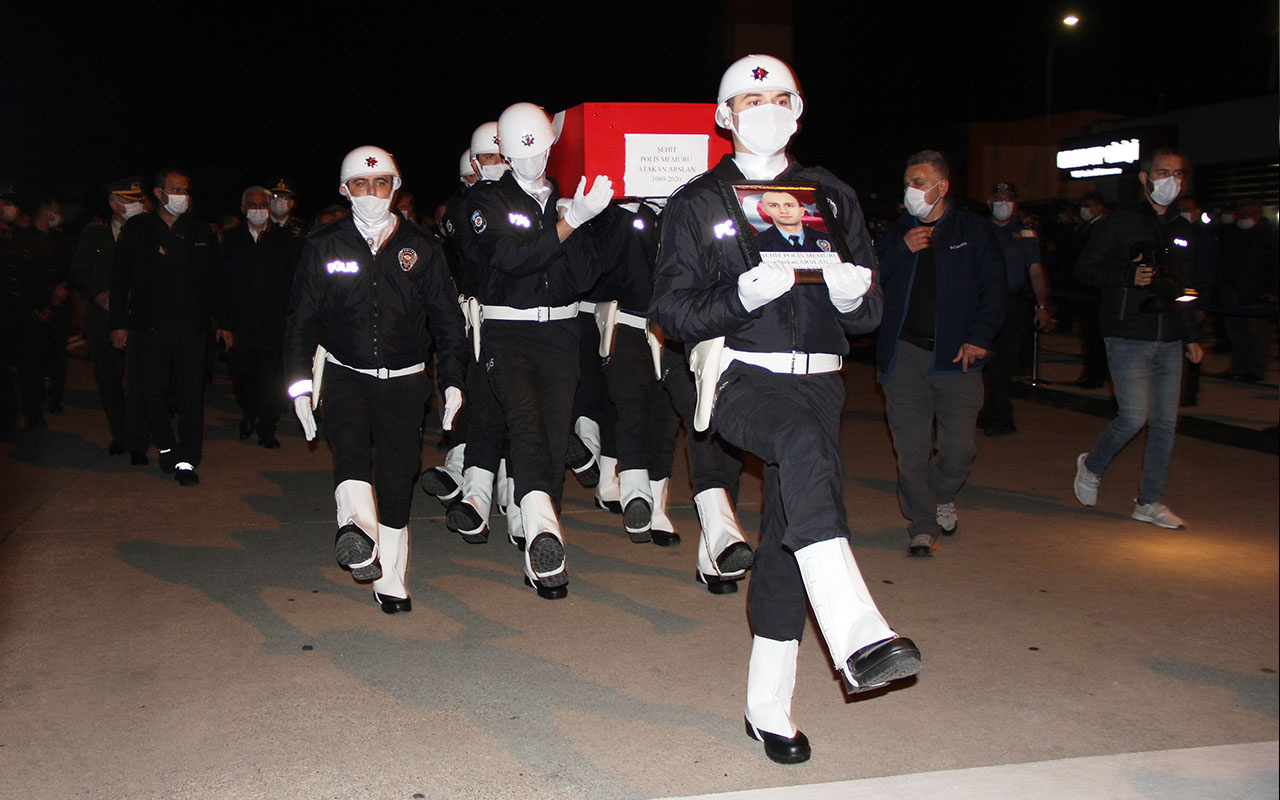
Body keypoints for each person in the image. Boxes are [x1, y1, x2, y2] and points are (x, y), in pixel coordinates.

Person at [651, 54, 920, 764]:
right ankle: (858, 632)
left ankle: (767, 708)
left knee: (788, 540)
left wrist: (848, 294)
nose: (763, 107)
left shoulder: (832, 195)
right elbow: (672, 309)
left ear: (798, 110)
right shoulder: (698, 201)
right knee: (799, 447)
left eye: (777, 96)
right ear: (723, 115)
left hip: (823, 382)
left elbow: (869, 316)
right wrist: (742, 296)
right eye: (748, 97)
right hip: (742, 377)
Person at [284, 146, 467, 613]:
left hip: (406, 381)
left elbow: (447, 321)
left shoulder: (423, 247)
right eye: (361, 185)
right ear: (345, 191)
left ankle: (391, 576)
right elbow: (301, 321)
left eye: (381, 183)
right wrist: (300, 386)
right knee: (348, 448)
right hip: (346, 373)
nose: (372, 193)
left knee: (397, 475)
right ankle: (358, 534)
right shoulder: (323, 244)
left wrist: (452, 381)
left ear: (395, 188)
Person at [460, 102, 612, 599]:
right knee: (525, 421)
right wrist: (568, 225)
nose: (533, 159)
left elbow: (585, 276)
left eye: (541, 148)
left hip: (562, 334)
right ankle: (546, 536)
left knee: (549, 439)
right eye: (522, 149)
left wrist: (584, 221)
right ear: (502, 149)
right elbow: (513, 259)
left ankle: (537, 538)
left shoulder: (564, 201)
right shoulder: (484, 201)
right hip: (509, 332)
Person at [875, 151, 1007, 557]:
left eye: (919, 181)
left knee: (958, 448)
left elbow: (995, 289)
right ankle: (922, 523)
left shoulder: (974, 230)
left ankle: (942, 493)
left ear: (942, 186)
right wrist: (901, 249)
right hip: (905, 357)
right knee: (911, 450)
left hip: (957, 358)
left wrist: (979, 336)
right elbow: (869, 280)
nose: (911, 190)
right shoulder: (896, 232)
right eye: (907, 182)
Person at [1073, 148, 1204, 529]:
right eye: (1164, 173)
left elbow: (1186, 286)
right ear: (1145, 178)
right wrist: (1127, 276)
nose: (1172, 181)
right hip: (1128, 331)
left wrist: (1192, 334)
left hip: (1171, 335)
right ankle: (1092, 464)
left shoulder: (1181, 226)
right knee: (1133, 416)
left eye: (1178, 174)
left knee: (1165, 422)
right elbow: (1085, 269)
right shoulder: (1120, 222)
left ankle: (1150, 500)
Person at [110, 167, 220, 485]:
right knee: (151, 391)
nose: (182, 196)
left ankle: (188, 459)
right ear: (159, 193)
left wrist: (219, 321)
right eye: (176, 190)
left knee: (189, 395)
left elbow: (216, 280)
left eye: (186, 190)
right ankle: (166, 444)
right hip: (148, 326)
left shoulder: (200, 231)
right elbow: (120, 280)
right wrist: (118, 324)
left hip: (191, 328)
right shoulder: (138, 229)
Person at [217, 185, 300, 448]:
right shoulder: (230, 239)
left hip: (275, 325)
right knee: (242, 377)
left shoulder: (285, 240)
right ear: (242, 210)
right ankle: (249, 413)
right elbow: (221, 284)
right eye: (252, 205)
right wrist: (224, 324)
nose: (258, 210)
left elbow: (294, 283)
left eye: (262, 204)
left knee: (272, 382)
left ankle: (267, 427)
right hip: (241, 326)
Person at [71, 177, 147, 452]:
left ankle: (141, 429)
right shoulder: (95, 234)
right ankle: (121, 432)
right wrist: (96, 294)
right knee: (108, 377)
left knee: (141, 378)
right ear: (114, 204)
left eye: (138, 200)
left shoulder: (150, 232)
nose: (136, 205)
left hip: (140, 317)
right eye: (129, 200)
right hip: (104, 316)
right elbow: (78, 270)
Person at [979, 182, 1050, 436]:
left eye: (1008, 198)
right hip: (983, 304)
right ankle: (988, 411)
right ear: (990, 201)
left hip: (1013, 304)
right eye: (998, 197)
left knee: (1005, 361)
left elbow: (1035, 270)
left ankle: (999, 415)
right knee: (981, 360)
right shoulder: (979, 230)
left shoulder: (1025, 233)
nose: (1003, 203)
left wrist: (1042, 305)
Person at [1219, 199, 1277, 383]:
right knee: (1237, 332)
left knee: (1257, 334)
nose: (1245, 217)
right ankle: (1240, 366)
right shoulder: (1233, 234)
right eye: (1242, 213)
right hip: (1233, 289)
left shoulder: (1269, 236)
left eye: (1250, 213)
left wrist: (1273, 291)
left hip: (1257, 292)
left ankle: (1256, 369)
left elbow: (1274, 266)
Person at [755, 190, 832, 252]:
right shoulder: (757, 243)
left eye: (789, 205)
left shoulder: (827, 239)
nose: (783, 211)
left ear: (802, 211)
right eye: (774, 206)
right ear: (765, 211)